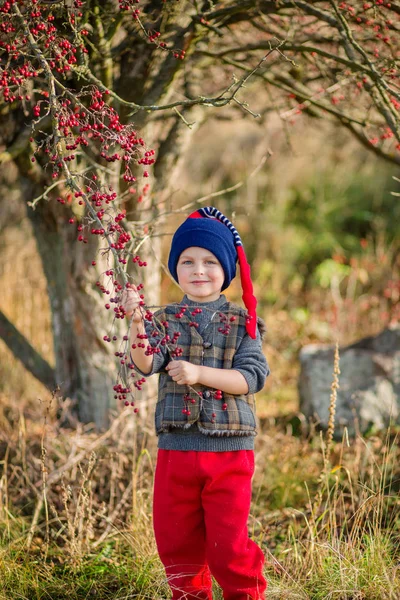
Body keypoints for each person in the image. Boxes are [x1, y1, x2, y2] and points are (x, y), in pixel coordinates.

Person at [121, 206, 270, 600]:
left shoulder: (244, 323)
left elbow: (250, 379)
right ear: (175, 269)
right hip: (176, 450)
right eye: (187, 261)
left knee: (229, 546)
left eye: (209, 262)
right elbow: (146, 362)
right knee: (177, 544)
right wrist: (137, 323)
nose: (198, 270)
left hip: (229, 452)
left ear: (226, 269)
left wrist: (198, 373)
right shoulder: (163, 319)